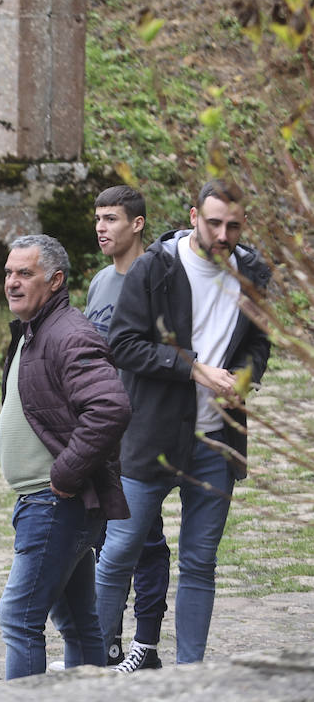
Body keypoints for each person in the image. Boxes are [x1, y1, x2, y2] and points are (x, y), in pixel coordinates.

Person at [97, 179, 271, 665]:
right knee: (117, 554)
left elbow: (259, 343)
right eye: (213, 222)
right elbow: (123, 344)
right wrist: (192, 367)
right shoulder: (156, 267)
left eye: (232, 226)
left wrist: (244, 375)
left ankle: (189, 676)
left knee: (200, 563)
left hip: (216, 441)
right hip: (151, 436)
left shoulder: (252, 271)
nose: (222, 234)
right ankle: (86, 663)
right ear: (193, 216)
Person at [0, 234, 131, 679]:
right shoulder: (36, 329)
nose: (12, 283)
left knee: (19, 619)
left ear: (55, 280)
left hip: (55, 503)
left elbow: (110, 407)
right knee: (77, 623)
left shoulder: (68, 333)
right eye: (9, 273)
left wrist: (66, 473)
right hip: (46, 503)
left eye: (25, 274)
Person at [85, 186, 171, 672]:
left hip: (143, 427)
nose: (101, 227)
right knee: (103, 536)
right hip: (102, 427)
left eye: (112, 218)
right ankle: (109, 644)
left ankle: (148, 644)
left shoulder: (160, 282)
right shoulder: (99, 283)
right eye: (98, 218)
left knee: (145, 538)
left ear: (137, 224)